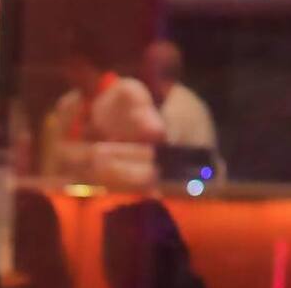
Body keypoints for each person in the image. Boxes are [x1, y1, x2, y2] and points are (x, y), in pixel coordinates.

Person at [41, 33, 165, 190]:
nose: (69, 74)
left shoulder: (127, 92)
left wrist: (113, 141)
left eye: (73, 67)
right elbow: (58, 153)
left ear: (86, 65)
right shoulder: (69, 104)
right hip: (78, 186)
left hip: (125, 184)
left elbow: (156, 133)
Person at [142, 39, 224, 177]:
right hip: (197, 181)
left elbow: (161, 157)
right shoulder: (187, 100)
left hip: (192, 185)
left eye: (144, 65)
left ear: (152, 70)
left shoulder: (174, 108)